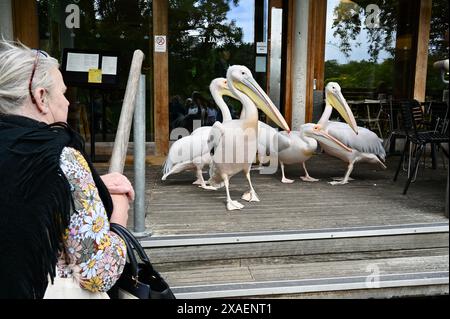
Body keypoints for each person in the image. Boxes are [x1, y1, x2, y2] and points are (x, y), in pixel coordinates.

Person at [0, 40, 134, 299]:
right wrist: (119, 215)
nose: (68, 103)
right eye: (62, 93)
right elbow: (97, 273)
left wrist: (91, 187)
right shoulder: (61, 158)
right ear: (41, 97)